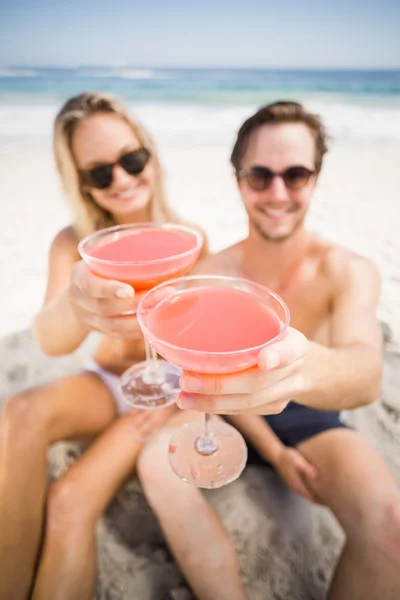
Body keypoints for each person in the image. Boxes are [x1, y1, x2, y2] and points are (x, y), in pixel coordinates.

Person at [138, 101, 400, 599]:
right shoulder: (212, 273)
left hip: (312, 417)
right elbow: (200, 374)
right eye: (260, 175)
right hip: (227, 414)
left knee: (390, 528)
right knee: (156, 465)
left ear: (315, 178)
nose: (277, 193)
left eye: (295, 174)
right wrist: (273, 452)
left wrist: (297, 373)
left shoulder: (348, 270)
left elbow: (365, 375)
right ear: (238, 179)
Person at [0, 92, 244, 600]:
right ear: (81, 183)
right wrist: (77, 296)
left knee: (69, 500)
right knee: (16, 415)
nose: (123, 179)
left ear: (150, 152)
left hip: (170, 395)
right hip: (110, 384)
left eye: (132, 160)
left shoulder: (190, 240)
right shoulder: (74, 244)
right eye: (100, 172)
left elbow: (217, 340)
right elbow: (48, 338)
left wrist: (181, 399)